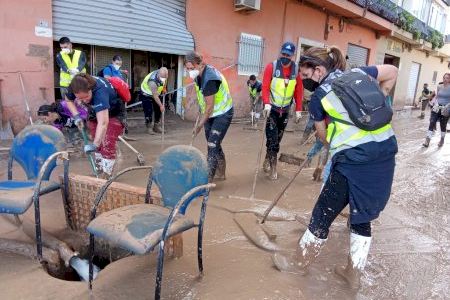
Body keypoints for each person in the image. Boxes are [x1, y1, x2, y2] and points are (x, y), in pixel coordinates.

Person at [272, 46, 399, 290]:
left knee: (323, 213)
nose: (306, 82)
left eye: (307, 77)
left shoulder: (320, 96)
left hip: (354, 161)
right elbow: (392, 70)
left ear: (318, 70)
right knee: (361, 216)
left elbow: (322, 138)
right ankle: (353, 275)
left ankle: (299, 263)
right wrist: (378, 102)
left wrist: (331, 129)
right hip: (385, 154)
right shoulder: (360, 72)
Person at [185, 51, 233, 182]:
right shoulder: (198, 75)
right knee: (213, 142)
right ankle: (221, 173)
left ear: (200, 64)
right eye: (188, 68)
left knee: (212, 143)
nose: (190, 71)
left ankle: (207, 180)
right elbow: (202, 97)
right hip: (210, 113)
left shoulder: (210, 78)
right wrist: (200, 108)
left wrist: (199, 126)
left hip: (223, 113)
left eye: (192, 68)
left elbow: (210, 107)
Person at [66, 74, 125, 177]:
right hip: (94, 110)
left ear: (91, 89)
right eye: (80, 99)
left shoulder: (100, 92)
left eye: (86, 97)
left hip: (114, 112)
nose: (84, 101)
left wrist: (95, 144)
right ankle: (99, 170)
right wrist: (76, 116)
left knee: (106, 141)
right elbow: (68, 100)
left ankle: (107, 174)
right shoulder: (74, 87)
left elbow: (103, 123)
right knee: (96, 139)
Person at [262, 42, 304, 180]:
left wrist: (298, 110)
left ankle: (268, 157)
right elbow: (265, 87)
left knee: (277, 140)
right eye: (283, 54)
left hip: (285, 111)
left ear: (292, 56)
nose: (285, 57)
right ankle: (273, 168)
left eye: (288, 55)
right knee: (272, 140)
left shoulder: (296, 70)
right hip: (272, 110)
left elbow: (299, 91)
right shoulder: (272, 67)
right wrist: (266, 103)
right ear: (281, 53)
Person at [422, 74, 450, 147]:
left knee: (443, 125)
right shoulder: (439, 86)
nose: (445, 79)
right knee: (432, 122)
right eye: (444, 78)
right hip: (437, 107)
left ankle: (442, 139)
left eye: (447, 78)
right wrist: (434, 103)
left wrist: (447, 106)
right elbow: (435, 96)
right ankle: (427, 140)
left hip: (446, 109)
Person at [140, 67, 168, 134]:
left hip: (156, 92)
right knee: (148, 110)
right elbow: (155, 96)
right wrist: (161, 105)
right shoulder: (152, 81)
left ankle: (156, 126)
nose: (163, 79)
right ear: (158, 74)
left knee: (158, 109)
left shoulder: (164, 74)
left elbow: (164, 81)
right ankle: (149, 127)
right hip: (146, 93)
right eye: (162, 77)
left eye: (165, 77)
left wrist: (164, 88)